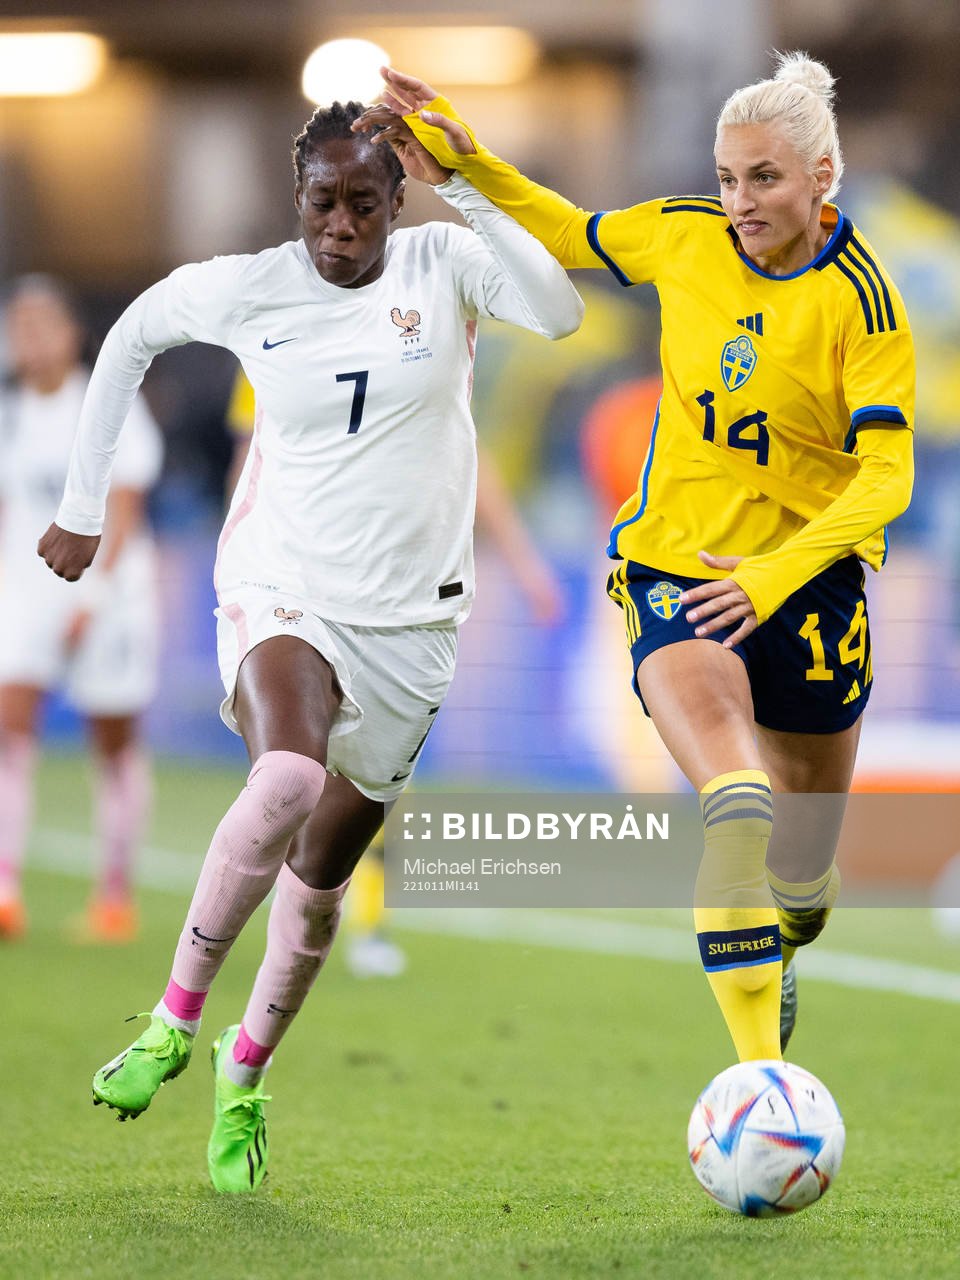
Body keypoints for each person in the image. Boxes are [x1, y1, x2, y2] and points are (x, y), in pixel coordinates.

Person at [38, 102, 582, 1192]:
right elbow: (132, 335)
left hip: (413, 621)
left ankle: (244, 1070)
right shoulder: (253, 287)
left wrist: (463, 181)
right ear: (297, 197)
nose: (342, 224)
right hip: (281, 584)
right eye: (324, 201)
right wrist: (82, 506)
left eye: (365, 202)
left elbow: (559, 309)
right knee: (286, 777)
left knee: (324, 874)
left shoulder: (442, 264)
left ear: (398, 200)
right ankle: (173, 1019)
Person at [361, 52, 915, 1064]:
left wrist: (773, 578)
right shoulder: (683, 233)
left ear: (822, 176)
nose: (739, 201)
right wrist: (470, 161)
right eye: (728, 177)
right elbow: (569, 233)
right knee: (736, 804)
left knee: (801, 882)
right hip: (678, 568)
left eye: (765, 178)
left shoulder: (863, 301)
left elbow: (886, 479)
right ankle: (761, 1077)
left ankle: (788, 929)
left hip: (806, 583)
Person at [224, 366, 566, 979]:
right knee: (296, 768)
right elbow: (251, 456)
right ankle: (270, 919)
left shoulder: (424, 338)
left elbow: (466, 457)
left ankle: (360, 920)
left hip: (398, 593)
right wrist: (242, 568)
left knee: (374, 774)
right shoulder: (275, 335)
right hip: (300, 586)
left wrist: (524, 563)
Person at [0, 275, 163, 942]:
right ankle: (6, 888)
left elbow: (125, 509)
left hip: (109, 599)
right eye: (19, 325)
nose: (29, 338)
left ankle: (115, 895)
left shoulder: (108, 399)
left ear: (72, 334)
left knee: (113, 740)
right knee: (9, 729)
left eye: (43, 324)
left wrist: (91, 597)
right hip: (27, 593)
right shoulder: (9, 414)